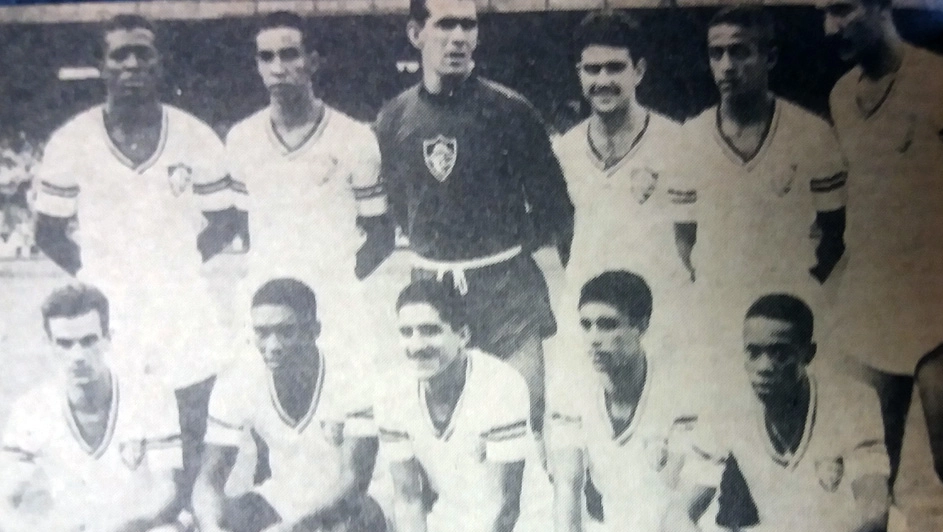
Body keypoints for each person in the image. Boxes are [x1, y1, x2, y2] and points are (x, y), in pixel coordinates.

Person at [819, 0, 943, 532]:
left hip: (934, 305)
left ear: (882, 7)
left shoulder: (937, 80)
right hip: (868, 308)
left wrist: (940, 270)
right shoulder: (839, 93)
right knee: (864, 482)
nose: (831, 28)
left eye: (843, 11)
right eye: (824, 15)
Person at [32, 14, 237, 499]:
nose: (131, 64)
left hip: (181, 305)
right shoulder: (71, 141)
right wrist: (100, 274)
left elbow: (227, 220)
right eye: (119, 54)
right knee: (124, 427)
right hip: (114, 309)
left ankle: (195, 529)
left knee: (191, 416)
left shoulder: (196, 136)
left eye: (142, 53)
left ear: (160, 64)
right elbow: (48, 232)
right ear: (100, 66)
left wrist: (176, 263)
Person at [655, 294, 901, 532]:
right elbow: (676, 517)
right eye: (752, 353)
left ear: (808, 353)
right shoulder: (726, 405)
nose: (764, 366)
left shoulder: (853, 400)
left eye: (780, 353)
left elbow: (873, 511)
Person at [373, 0, 575, 435]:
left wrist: (499, 247)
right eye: (445, 24)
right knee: (439, 429)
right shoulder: (394, 118)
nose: (459, 37)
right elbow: (397, 206)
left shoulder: (512, 111)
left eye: (469, 25)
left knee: (522, 423)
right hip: (432, 291)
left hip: (505, 291)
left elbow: (553, 206)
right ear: (416, 34)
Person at [342, 279, 547, 532]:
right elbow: (407, 500)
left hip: (523, 526)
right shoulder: (392, 391)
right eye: (407, 332)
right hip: (453, 524)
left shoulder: (501, 384)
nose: (417, 344)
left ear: (463, 334)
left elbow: (507, 506)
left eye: (431, 330)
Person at [191, 278, 386, 532]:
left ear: (314, 330)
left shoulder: (352, 375)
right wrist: (210, 528)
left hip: (358, 501)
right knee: (217, 529)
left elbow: (354, 481)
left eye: (286, 332)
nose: (272, 345)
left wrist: (296, 531)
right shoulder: (238, 379)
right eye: (262, 333)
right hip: (288, 495)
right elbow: (209, 478)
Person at [0, 283, 187, 532]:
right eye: (64, 344)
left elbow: (168, 491)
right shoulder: (31, 407)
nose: (78, 355)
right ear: (48, 343)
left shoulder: (150, 395)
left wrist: (111, 531)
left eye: (88, 340)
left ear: (108, 337)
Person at [539, 271, 696, 532]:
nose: (594, 338)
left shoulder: (678, 391)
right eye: (586, 325)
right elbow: (567, 496)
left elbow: (667, 512)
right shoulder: (571, 387)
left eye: (608, 325)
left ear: (641, 325)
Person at [677, 5, 848, 353]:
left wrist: (803, 286)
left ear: (769, 57)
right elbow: (683, 237)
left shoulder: (812, 134)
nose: (726, 66)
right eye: (716, 53)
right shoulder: (688, 138)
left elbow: (836, 233)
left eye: (740, 51)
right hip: (716, 315)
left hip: (788, 316)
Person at [223, 11, 390, 353]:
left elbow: (381, 234)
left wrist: (339, 283)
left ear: (313, 62)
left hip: (333, 306)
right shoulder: (241, 138)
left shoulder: (354, 137)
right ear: (257, 65)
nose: (278, 67)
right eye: (266, 57)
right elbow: (244, 224)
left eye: (289, 55)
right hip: (267, 303)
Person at [552, 11, 696, 342]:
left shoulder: (676, 142)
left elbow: (692, 240)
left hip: (658, 316)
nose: (603, 80)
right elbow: (565, 240)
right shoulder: (564, 149)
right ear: (579, 74)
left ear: (639, 71)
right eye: (592, 69)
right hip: (587, 314)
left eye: (615, 67)